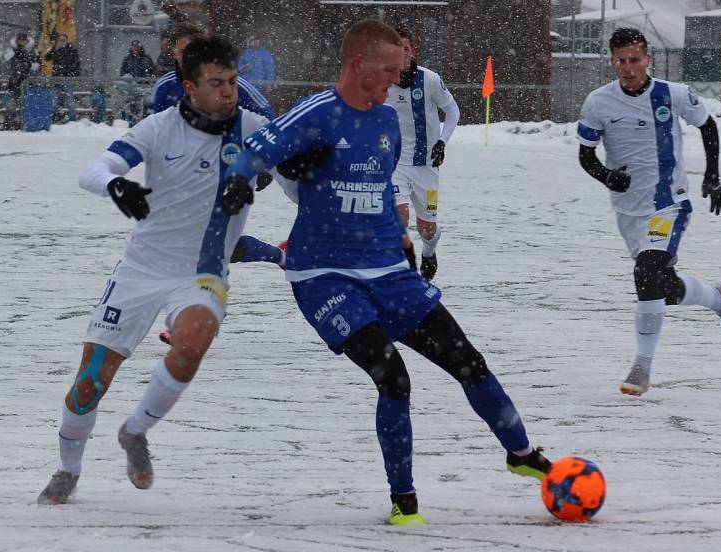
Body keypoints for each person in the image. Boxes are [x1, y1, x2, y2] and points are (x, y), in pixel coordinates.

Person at [220, 19, 552, 526]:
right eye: (391, 71)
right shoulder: (316, 114)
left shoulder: (384, 122)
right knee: (393, 378)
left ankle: (521, 453)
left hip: (388, 269)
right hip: (323, 277)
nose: (398, 80)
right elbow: (251, 153)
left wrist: (397, 237)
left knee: (470, 362)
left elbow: (376, 186)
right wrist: (241, 184)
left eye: (402, 71)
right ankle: (405, 501)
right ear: (360, 66)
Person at [37, 35, 273, 505]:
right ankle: (67, 470)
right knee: (89, 385)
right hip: (140, 271)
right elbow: (94, 171)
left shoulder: (254, 127)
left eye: (232, 82)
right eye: (216, 83)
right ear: (189, 86)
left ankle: (136, 431)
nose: (228, 93)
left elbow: (298, 173)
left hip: (201, 274)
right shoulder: (158, 128)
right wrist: (117, 186)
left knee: (192, 345)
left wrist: (260, 176)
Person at [576, 28, 721, 396]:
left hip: (669, 202)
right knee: (661, 287)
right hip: (628, 211)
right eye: (621, 60)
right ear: (612, 62)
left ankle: (641, 368)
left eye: (635, 60)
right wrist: (606, 176)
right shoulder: (598, 102)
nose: (628, 68)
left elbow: (707, 126)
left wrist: (712, 176)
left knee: (646, 271)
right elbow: (586, 155)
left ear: (648, 59)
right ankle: (716, 298)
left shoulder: (673, 94)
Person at [385, 28, 459, 281]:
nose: (401, 54)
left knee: (427, 228)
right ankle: (402, 274)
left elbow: (452, 112)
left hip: (426, 164)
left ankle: (429, 252)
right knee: (400, 219)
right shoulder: (381, 82)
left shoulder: (429, 79)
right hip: (396, 165)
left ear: (412, 51)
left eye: (405, 49)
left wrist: (441, 142)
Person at [151, 22, 273, 121]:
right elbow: (153, 130)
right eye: (183, 51)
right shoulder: (164, 87)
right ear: (174, 54)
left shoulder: (233, 84)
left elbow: (269, 122)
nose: (188, 56)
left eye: (192, 50)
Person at [44, 33, 80, 122]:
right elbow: (47, 58)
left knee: (70, 101)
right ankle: (55, 118)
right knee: (54, 100)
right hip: (57, 79)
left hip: (68, 79)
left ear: (67, 40)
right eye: (60, 40)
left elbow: (75, 64)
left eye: (64, 40)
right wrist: (54, 49)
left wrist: (69, 73)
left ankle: (72, 120)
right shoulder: (56, 49)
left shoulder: (72, 50)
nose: (62, 42)